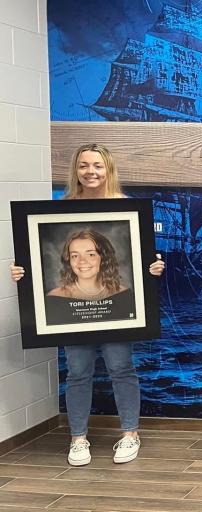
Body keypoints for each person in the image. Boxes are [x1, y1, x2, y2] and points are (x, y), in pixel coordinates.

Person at [10, 143, 165, 466]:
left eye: (97, 165)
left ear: (108, 169)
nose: (90, 172)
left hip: (118, 310)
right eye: (84, 165)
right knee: (78, 371)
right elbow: (37, 261)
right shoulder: (60, 208)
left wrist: (152, 268)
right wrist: (23, 271)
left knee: (122, 368)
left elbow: (140, 262)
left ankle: (130, 433)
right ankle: (78, 438)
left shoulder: (127, 208)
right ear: (75, 170)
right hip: (72, 314)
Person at [45, 228, 135, 325]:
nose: (82, 261)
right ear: (68, 260)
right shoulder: (53, 299)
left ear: (104, 258)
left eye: (91, 254)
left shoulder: (125, 296)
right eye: (75, 256)